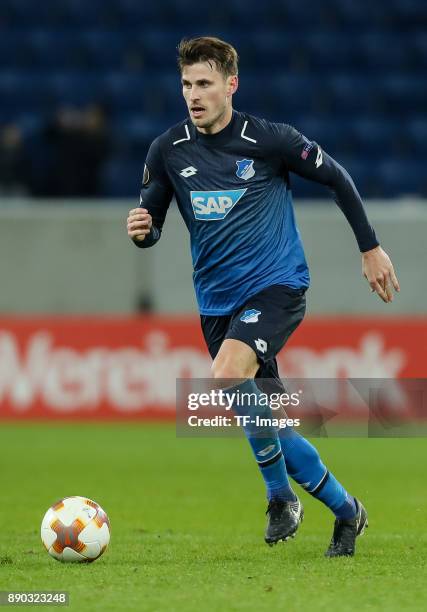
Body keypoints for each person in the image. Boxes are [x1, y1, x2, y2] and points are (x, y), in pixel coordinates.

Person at [127, 37, 400, 557]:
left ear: (231, 84)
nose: (194, 94)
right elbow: (152, 224)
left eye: (204, 83)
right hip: (216, 305)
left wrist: (370, 247)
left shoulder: (269, 140)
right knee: (267, 423)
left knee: (227, 375)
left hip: (277, 286)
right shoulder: (167, 150)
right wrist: (142, 230)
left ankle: (279, 498)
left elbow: (337, 177)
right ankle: (348, 511)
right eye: (186, 84)